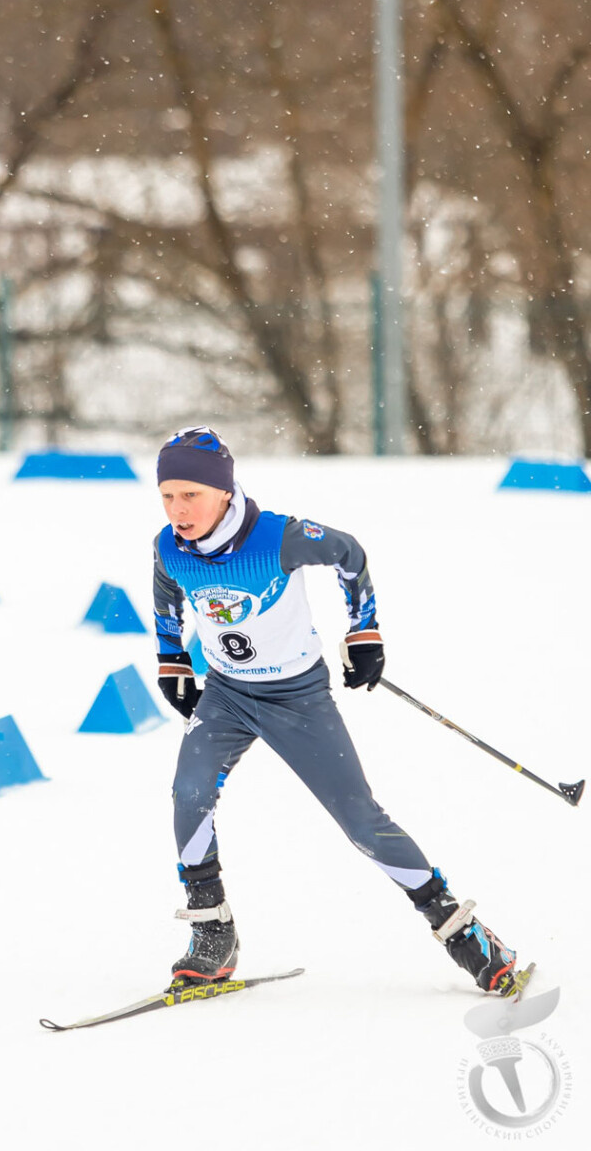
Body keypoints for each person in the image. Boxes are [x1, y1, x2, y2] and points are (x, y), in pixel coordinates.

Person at [153, 426, 518, 994]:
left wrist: (364, 630)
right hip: (225, 696)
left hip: (296, 698)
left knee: (360, 820)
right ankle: (213, 934)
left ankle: (462, 931)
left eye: (191, 494)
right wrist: (172, 660)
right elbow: (166, 593)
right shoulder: (169, 546)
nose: (178, 509)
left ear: (223, 490)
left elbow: (348, 553)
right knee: (189, 792)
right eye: (168, 495)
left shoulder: (279, 536)